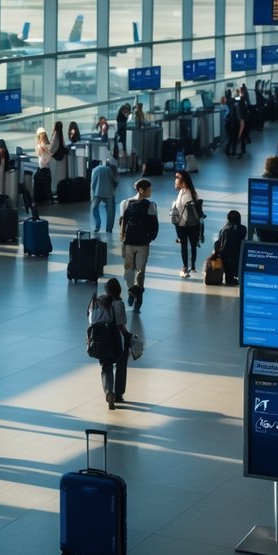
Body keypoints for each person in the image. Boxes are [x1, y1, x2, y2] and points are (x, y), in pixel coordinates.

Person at [88, 279, 131, 410]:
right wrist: (129, 337)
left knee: (106, 365)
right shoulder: (119, 304)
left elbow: (91, 321)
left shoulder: (99, 302)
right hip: (114, 339)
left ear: (107, 291)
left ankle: (109, 392)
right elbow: (121, 327)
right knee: (121, 362)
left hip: (100, 340)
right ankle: (118, 394)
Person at [118, 179, 159, 313]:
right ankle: (135, 293)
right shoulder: (149, 205)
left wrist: (123, 238)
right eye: (149, 189)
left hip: (130, 241)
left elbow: (121, 222)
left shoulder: (126, 203)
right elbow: (154, 224)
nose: (150, 192)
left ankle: (135, 294)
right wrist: (149, 238)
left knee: (132, 270)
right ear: (141, 190)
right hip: (140, 243)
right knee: (137, 271)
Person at [170, 171, 203, 278]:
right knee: (190, 245)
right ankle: (191, 266)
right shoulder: (185, 192)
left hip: (186, 224)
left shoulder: (187, 193)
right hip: (188, 224)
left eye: (177, 177)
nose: (175, 179)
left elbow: (184, 209)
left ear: (183, 180)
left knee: (186, 246)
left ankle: (187, 267)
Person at [215, 210, 248, 286]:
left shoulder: (224, 230)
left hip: (225, 258)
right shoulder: (243, 229)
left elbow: (220, 244)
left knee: (229, 278)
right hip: (238, 256)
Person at [90, 157, 119, 234]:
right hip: (109, 192)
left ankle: (97, 226)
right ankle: (109, 229)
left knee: (94, 208)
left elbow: (92, 184)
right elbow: (114, 181)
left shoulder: (94, 170)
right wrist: (115, 185)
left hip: (97, 193)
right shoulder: (108, 169)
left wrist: (93, 195)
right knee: (111, 211)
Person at [48, 121, 67, 187]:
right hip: (60, 159)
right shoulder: (60, 135)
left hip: (54, 160)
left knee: (54, 177)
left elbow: (52, 148)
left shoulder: (55, 134)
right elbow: (64, 146)